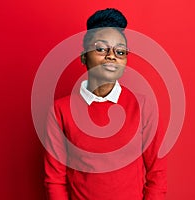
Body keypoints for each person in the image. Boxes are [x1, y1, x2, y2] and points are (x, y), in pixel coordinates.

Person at [44, 8, 167, 200]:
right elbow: (55, 180)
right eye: (101, 49)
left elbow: (157, 173)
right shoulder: (60, 111)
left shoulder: (143, 105)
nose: (112, 56)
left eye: (120, 51)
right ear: (84, 57)